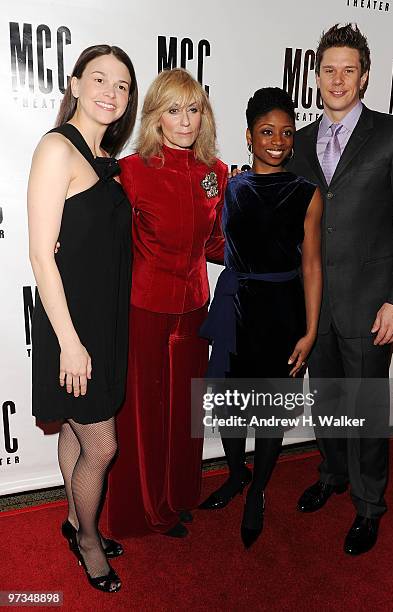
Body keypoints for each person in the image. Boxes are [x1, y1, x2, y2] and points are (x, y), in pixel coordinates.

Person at [287, 23, 393, 555]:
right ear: (316, 76)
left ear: (365, 77)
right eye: (329, 69)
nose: (338, 79)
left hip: (371, 305)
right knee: (326, 402)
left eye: (349, 70)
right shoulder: (298, 143)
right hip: (314, 306)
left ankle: (370, 506)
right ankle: (332, 474)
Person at [28, 44, 138, 592]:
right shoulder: (57, 149)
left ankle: (75, 522)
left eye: (121, 86)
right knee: (103, 445)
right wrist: (70, 343)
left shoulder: (104, 163)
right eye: (99, 79)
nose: (110, 93)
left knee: (77, 431)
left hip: (102, 323)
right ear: (74, 83)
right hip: (72, 327)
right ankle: (89, 540)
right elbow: (40, 255)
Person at [104, 68, 228, 538]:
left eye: (193, 109)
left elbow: (217, 244)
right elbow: (110, 241)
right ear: (156, 117)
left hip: (195, 309)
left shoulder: (216, 174)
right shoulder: (132, 171)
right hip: (145, 309)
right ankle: (144, 510)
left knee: (185, 413)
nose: (185, 120)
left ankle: (177, 497)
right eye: (174, 110)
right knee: (144, 414)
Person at [199, 87, 323, 548]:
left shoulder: (307, 195)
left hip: (283, 311)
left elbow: (311, 265)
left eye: (286, 133)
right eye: (267, 132)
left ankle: (259, 493)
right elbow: (205, 236)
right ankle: (235, 474)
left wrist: (310, 330)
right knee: (230, 409)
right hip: (235, 307)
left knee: (269, 415)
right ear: (248, 136)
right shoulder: (229, 186)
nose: (277, 140)